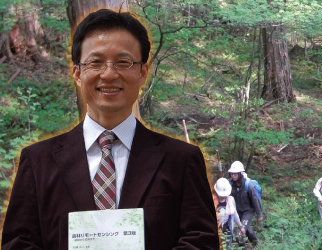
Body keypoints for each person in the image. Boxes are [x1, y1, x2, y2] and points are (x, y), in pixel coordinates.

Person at [1, 9, 219, 249]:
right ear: (78, 73)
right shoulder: (38, 161)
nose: (109, 74)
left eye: (123, 62)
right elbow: (17, 243)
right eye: (95, 62)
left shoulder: (181, 160)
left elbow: (202, 242)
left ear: (142, 73)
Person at [228, 161, 263, 247]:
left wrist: (259, 215)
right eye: (232, 174)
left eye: (235, 174)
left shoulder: (249, 185)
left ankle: (243, 246)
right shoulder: (230, 184)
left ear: (240, 174)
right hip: (238, 211)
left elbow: (255, 200)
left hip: (248, 211)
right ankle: (254, 242)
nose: (233, 176)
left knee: (240, 233)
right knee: (244, 227)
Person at [214, 178, 246, 250]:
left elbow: (234, 214)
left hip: (227, 231)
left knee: (227, 248)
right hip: (215, 231)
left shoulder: (230, 200)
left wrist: (241, 227)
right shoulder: (213, 200)